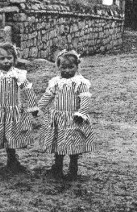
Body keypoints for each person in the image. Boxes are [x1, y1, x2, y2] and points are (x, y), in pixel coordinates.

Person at [0, 42, 38, 171]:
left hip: (13, 111)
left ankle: (12, 160)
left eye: (9, 58)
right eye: (2, 58)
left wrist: (33, 106)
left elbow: (27, 89)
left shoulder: (18, 74)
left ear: (14, 59)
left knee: (12, 135)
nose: (6, 61)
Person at [36, 49, 96, 180]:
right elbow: (48, 96)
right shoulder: (55, 82)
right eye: (64, 67)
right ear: (58, 67)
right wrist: (38, 107)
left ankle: (73, 168)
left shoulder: (80, 83)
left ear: (77, 66)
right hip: (58, 118)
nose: (67, 71)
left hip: (73, 119)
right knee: (59, 144)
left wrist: (81, 113)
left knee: (73, 144)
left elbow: (85, 100)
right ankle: (57, 167)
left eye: (71, 67)